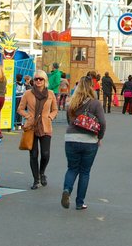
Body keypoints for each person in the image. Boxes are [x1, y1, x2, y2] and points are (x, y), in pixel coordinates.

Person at [61, 73, 106, 211]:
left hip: (71, 139)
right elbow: (103, 123)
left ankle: (67, 190)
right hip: (89, 141)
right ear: (92, 88)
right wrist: (99, 137)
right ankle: (80, 203)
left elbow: (70, 122)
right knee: (85, 172)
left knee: (72, 168)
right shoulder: (95, 103)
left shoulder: (71, 103)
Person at [16, 69, 58, 189]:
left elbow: (55, 109)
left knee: (45, 154)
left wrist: (50, 117)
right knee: (33, 155)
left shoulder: (50, 94)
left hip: (45, 126)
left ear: (45, 81)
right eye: (36, 79)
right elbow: (20, 109)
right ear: (33, 81)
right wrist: (28, 116)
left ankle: (42, 172)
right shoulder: (28, 93)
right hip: (31, 126)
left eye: (41, 79)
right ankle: (36, 179)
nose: (38, 81)